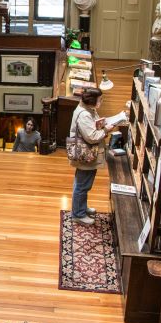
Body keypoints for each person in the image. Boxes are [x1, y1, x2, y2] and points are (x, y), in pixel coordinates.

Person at [69, 88, 120, 225]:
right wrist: (106, 130)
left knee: (84, 183)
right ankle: (78, 214)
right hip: (86, 152)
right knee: (82, 184)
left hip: (89, 152)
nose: (102, 101)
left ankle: (81, 208)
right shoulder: (84, 114)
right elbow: (92, 137)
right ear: (92, 100)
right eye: (100, 99)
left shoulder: (89, 109)